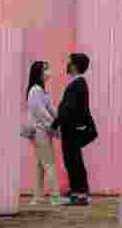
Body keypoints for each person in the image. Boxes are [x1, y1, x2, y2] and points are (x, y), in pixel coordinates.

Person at [51, 53, 92, 206]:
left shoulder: (77, 84)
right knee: (74, 159)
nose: (67, 64)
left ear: (74, 66)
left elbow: (67, 109)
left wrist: (54, 125)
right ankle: (78, 190)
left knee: (73, 160)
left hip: (71, 129)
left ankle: (80, 193)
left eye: (70, 62)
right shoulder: (78, 83)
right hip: (72, 128)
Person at [25, 61, 66, 205]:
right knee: (49, 163)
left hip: (43, 131)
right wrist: (55, 126)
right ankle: (55, 196)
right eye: (45, 69)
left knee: (41, 165)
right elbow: (41, 113)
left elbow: (51, 109)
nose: (48, 72)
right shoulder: (35, 90)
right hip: (39, 131)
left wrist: (59, 121)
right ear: (39, 72)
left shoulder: (42, 91)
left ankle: (38, 196)